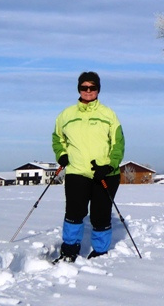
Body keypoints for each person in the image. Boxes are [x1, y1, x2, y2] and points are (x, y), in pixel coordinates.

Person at [52, 72, 125, 262]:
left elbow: (118, 144)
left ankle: (100, 252)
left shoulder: (108, 114)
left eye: (92, 87)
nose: (88, 91)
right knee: (74, 213)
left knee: (100, 215)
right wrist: (62, 155)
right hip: (77, 172)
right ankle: (69, 250)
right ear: (79, 89)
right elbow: (57, 139)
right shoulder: (66, 115)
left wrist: (109, 165)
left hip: (104, 173)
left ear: (98, 89)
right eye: (84, 87)